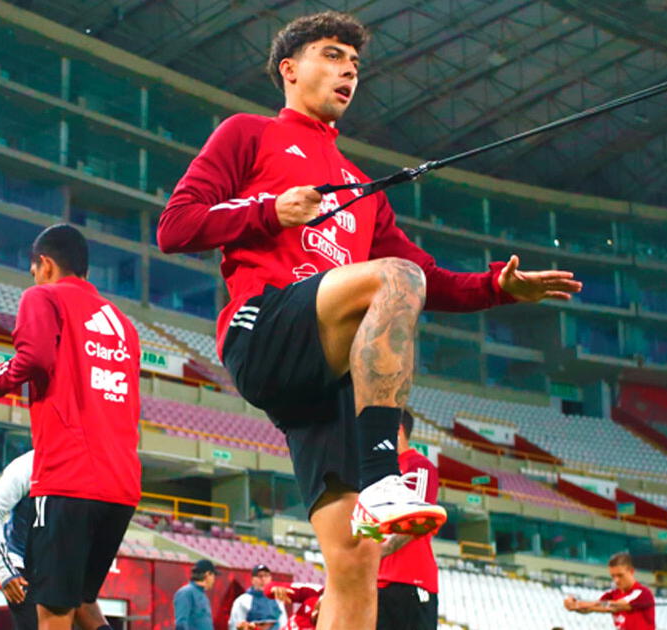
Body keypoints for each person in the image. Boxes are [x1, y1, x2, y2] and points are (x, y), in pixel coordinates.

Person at [157, 10, 581, 630]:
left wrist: (499, 286)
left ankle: (377, 494)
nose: (347, 71)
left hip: (327, 379)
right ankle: (385, 479)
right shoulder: (248, 134)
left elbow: (429, 280)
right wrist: (269, 212)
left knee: (355, 568)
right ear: (289, 68)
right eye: (331, 56)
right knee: (392, 276)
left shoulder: (363, 186)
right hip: (265, 326)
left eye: (354, 64)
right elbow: (175, 226)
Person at [0, 224, 142, 630]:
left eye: (34, 269)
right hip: (121, 486)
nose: (34, 277)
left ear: (45, 264)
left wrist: (1, 378)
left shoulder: (42, 296)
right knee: (83, 603)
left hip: (67, 480)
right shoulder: (123, 324)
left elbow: (35, 358)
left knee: (53, 611)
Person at [0, 450, 113, 630]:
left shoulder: (88, 466)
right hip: (24, 568)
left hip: (62, 569)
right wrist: (5, 570)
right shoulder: (27, 465)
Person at [376, 412, 439, 630]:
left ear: (398, 431)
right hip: (378, 582)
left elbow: (419, 519)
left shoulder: (418, 467)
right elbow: (368, 521)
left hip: (410, 580)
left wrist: (383, 548)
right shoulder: (379, 473)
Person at [562, 552, 655, 630]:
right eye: (613, 576)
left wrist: (581, 604)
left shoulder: (642, 593)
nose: (616, 580)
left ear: (631, 571)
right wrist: (574, 606)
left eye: (620, 575)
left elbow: (615, 606)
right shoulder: (612, 594)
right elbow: (591, 608)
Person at [229, 564, 287, 630]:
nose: (263, 579)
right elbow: (235, 625)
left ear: (270, 578)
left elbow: (283, 622)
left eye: (266, 575)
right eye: (259, 576)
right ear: (252, 580)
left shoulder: (278, 599)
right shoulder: (242, 601)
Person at [174, 560, 217, 630]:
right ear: (207, 574)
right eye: (213, 575)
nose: (214, 580)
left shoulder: (203, 595)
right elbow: (181, 624)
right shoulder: (186, 593)